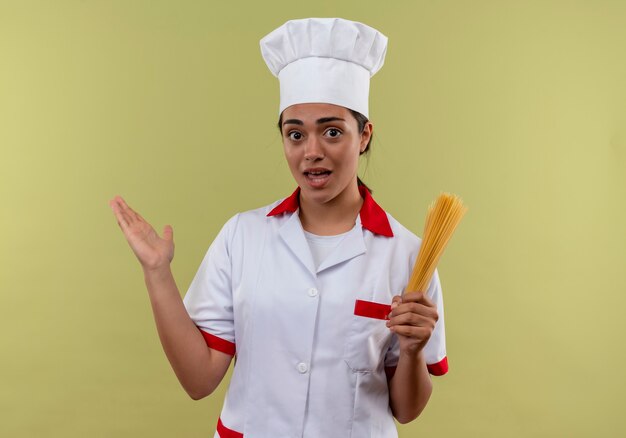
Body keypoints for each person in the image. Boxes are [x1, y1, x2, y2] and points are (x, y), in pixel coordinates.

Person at [110, 18, 448, 438]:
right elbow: (199, 381)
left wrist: (413, 351)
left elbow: (406, 410)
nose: (312, 152)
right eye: (295, 134)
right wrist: (157, 273)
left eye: (332, 131)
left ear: (364, 135)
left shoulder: (409, 255)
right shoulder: (242, 237)